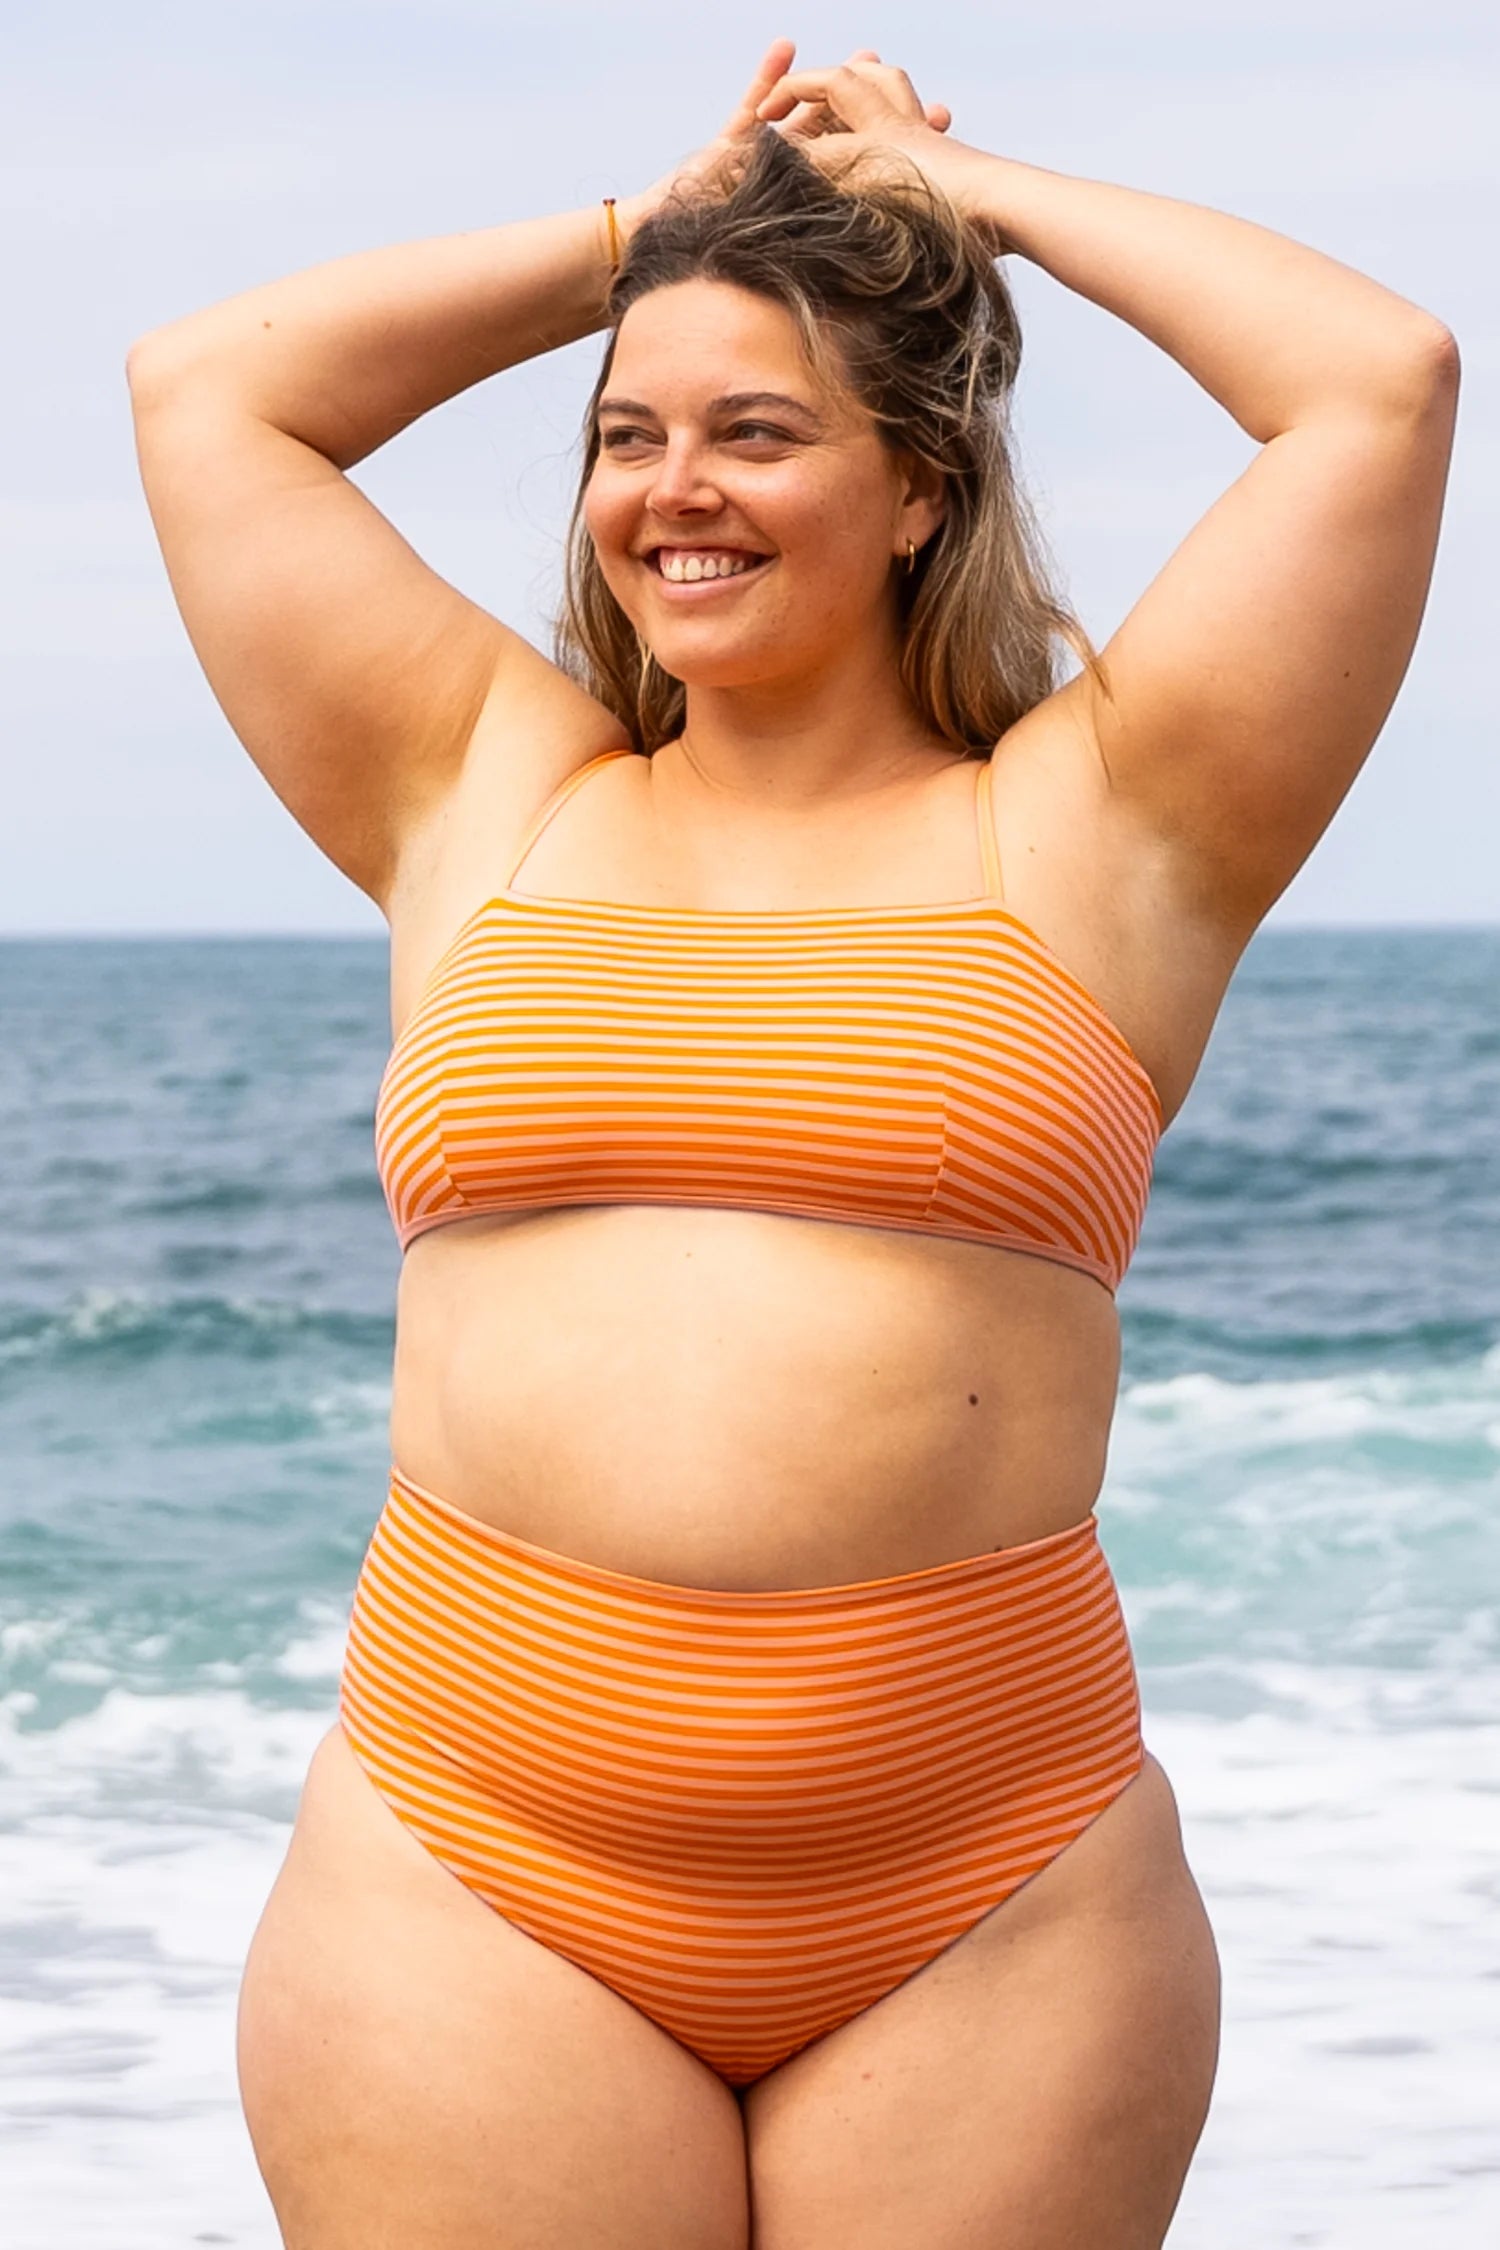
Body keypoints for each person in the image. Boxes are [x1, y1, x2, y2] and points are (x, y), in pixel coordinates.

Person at [127, 40, 1458, 2250]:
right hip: (475, 1868)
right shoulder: (481, 786)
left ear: (920, 480)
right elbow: (208, 397)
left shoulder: (1107, 827)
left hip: (991, 1900)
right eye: (630, 439)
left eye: (758, 431)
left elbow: (1376, 386)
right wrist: (652, 233)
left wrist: (960, 191)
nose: (676, 491)